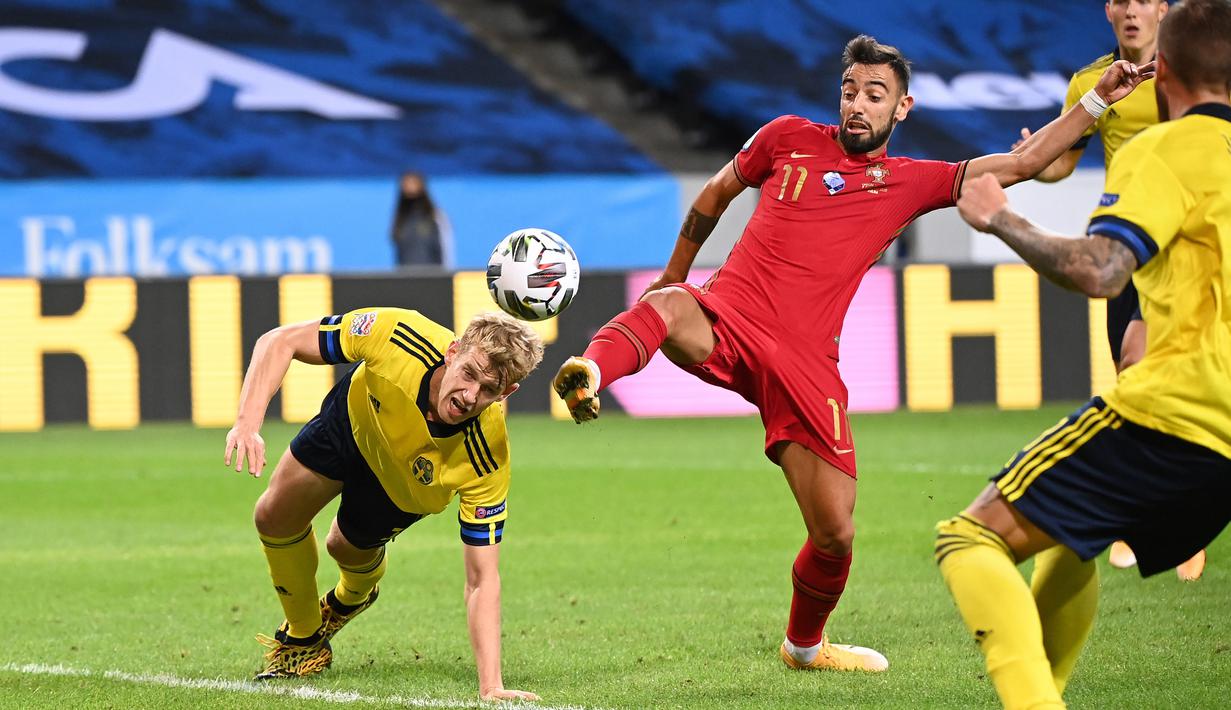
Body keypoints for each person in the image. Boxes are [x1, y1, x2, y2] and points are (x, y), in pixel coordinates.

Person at [551, 34, 1152, 672]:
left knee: (835, 534)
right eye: (850, 91)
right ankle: (590, 370)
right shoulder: (785, 137)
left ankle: (804, 647)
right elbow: (715, 195)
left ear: (903, 108)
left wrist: (1096, 100)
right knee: (669, 306)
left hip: (807, 366)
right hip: (729, 318)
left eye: (875, 95)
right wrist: (675, 274)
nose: (858, 104)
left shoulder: (912, 181)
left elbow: (1024, 162)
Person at [937, 1, 1231, 706]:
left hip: (1181, 412)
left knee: (968, 539)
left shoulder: (1165, 147)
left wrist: (999, 218)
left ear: (1164, 74)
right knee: (1071, 537)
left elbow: (1101, 271)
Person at [223, 307, 543, 702]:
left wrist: (491, 685)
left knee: (342, 547)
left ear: (506, 393)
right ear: (452, 351)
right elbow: (279, 341)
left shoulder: (487, 455)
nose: (469, 395)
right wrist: (247, 422)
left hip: (402, 487)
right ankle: (303, 640)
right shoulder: (396, 334)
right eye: (469, 373)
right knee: (272, 516)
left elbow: (482, 578)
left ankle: (352, 596)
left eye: (489, 390)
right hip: (353, 421)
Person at [1017, 0, 1206, 580]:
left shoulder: (1192, 72)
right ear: (1108, 10)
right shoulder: (1093, 82)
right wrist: (1037, 155)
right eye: (1121, 0)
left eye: (1144, 0)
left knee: (1143, 364)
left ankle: (1179, 520)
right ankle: (1153, 512)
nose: (1132, 11)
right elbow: (1061, 164)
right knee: (1130, 375)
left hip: (1186, 241)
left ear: (1163, 10)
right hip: (1127, 243)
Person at [391, 172, 453, 268]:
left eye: (413, 182)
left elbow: (445, 249)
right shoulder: (400, 219)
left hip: (433, 274)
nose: (410, 186)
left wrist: (445, 274)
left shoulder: (436, 216)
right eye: (406, 183)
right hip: (406, 276)